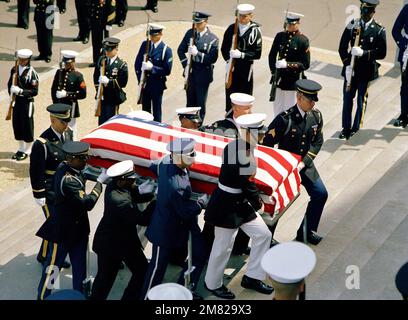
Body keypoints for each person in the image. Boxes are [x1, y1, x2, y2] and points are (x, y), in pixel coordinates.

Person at [204, 113, 273, 299]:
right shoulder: (244, 156)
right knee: (222, 247)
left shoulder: (235, 146)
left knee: (263, 235)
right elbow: (249, 186)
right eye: (260, 133)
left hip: (238, 203)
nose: (263, 136)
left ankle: (252, 277)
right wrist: (260, 204)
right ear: (250, 134)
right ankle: (213, 283)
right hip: (227, 206)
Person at [140, 138, 209, 300]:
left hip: (180, 225)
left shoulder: (165, 162)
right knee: (157, 268)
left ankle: (183, 289)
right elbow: (185, 211)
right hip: (166, 230)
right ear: (178, 157)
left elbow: (153, 166)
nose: (193, 158)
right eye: (190, 155)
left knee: (198, 254)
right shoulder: (175, 185)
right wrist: (200, 203)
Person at [36, 141, 104, 300]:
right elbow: (88, 203)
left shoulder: (70, 166)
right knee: (53, 268)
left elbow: (87, 171)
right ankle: (43, 295)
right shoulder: (68, 180)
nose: (85, 161)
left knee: (80, 268)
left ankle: (78, 295)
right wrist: (99, 184)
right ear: (72, 159)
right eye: (82, 159)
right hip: (62, 233)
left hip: (78, 231)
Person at [263, 79, 327, 245]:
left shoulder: (316, 116)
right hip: (286, 168)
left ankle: (306, 232)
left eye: (314, 100)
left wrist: (304, 162)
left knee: (320, 194)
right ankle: (267, 238)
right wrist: (277, 166)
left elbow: (317, 141)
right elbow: (266, 145)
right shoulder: (285, 119)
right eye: (310, 100)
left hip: (304, 165)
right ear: (299, 98)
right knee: (278, 202)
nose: (313, 104)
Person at [90, 160, 156, 300]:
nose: (134, 182)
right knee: (104, 281)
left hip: (124, 240)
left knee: (141, 271)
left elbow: (135, 196)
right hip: (111, 245)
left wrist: (149, 194)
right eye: (132, 180)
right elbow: (142, 219)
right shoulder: (118, 199)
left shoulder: (117, 184)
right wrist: (156, 201)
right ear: (122, 181)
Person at [30, 103, 73, 268]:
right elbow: (36, 171)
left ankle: (43, 254)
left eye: (67, 121)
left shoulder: (68, 134)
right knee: (55, 222)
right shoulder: (41, 144)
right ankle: (49, 258)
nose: (66, 125)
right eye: (63, 122)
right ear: (53, 120)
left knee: (54, 222)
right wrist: (39, 194)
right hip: (49, 191)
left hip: (64, 188)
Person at [338, 0, 386, 139]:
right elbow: (342, 47)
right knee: (347, 99)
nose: (364, 15)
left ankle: (356, 128)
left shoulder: (378, 29)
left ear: (372, 12)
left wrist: (364, 53)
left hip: (366, 72)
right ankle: (345, 128)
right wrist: (347, 64)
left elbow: (382, 53)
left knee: (360, 100)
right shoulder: (353, 24)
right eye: (362, 11)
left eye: (367, 12)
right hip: (351, 70)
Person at [177, 11, 219, 121]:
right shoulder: (190, 33)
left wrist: (198, 54)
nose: (197, 25)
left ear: (206, 22)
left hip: (203, 75)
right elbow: (180, 50)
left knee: (200, 104)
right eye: (196, 23)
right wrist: (185, 64)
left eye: (199, 23)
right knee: (190, 103)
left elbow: (212, 58)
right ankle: (189, 124)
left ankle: (199, 126)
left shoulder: (213, 39)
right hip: (191, 73)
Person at [269, 12, 310, 118]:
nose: (290, 26)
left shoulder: (302, 40)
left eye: (292, 24)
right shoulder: (280, 36)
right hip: (278, 79)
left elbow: (305, 64)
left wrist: (288, 65)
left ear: (298, 24)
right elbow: (272, 55)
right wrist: (274, 71)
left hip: (292, 81)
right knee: (277, 108)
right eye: (288, 24)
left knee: (289, 109)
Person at [221, 3, 262, 112]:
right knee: (230, 97)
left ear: (251, 16)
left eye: (245, 16)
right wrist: (228, 61)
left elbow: (257, 54)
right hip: (232, 70)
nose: (242, 18)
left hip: (245, 70)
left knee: (244, 97)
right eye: (240, 15)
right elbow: (224, 48)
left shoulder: (255, 31)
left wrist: (242, 55)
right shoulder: (231, 28)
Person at [134, 24, 173, 122]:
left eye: (155, 35)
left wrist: (152, 68)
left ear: (160, 34)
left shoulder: (166, 50)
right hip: (145, 84)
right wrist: (140, 79)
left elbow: (167, 70)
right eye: (151, 35)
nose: (152, 38)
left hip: (157, 85)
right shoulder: (145, 45)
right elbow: (137, 63)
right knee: (145, 112)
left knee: (156, 112)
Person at [7, 49, 39, 161]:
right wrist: (11, 93)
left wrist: (20, 91)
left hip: (26, 102)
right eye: (20, 59)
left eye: (23, 60)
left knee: (27, 125)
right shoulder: (14, 70)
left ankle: (28, 149)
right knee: (17, 124)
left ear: (28, 60)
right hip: (17, 102)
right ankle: (21, 148)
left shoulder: (32, 73)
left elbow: (34, 91)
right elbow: (9, 84)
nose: (21, 61)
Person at [51, 50, 86, 140]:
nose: (66, 65)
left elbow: (83, 94)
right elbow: (53, 89)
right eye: (65, 63)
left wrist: (67, 94)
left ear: (73, 62)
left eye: (68, 63)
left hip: (71, 106)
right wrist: (55, 102)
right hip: (60, 105)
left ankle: (72, 145)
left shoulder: (77, 76)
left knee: (71, 128)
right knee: (59, 126)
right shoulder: (59, 72)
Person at [94, 37, 128, 125]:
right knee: (101, 123)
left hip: (113, 98)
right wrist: (99, 91)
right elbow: (95, 76)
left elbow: (123, 83)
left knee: (111, 122)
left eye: (109, 50)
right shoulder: (102, 60)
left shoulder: (121, 65)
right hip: (102, 97)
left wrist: (108, 82)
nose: (107, 52)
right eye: (106, 50)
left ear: (116, 49)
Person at [392, 4, 408, 128]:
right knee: (405, 87)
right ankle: (404, 115)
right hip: (407, 52)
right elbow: (395, 30)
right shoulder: (407, 8)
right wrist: (403, 44)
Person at [89, 0, 116, 67]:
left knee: (104, 44)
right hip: (95, 22)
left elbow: (112, 9)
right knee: (95, 43)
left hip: (103, 23)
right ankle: (96, 61)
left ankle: (105, 61)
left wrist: (109, 23)